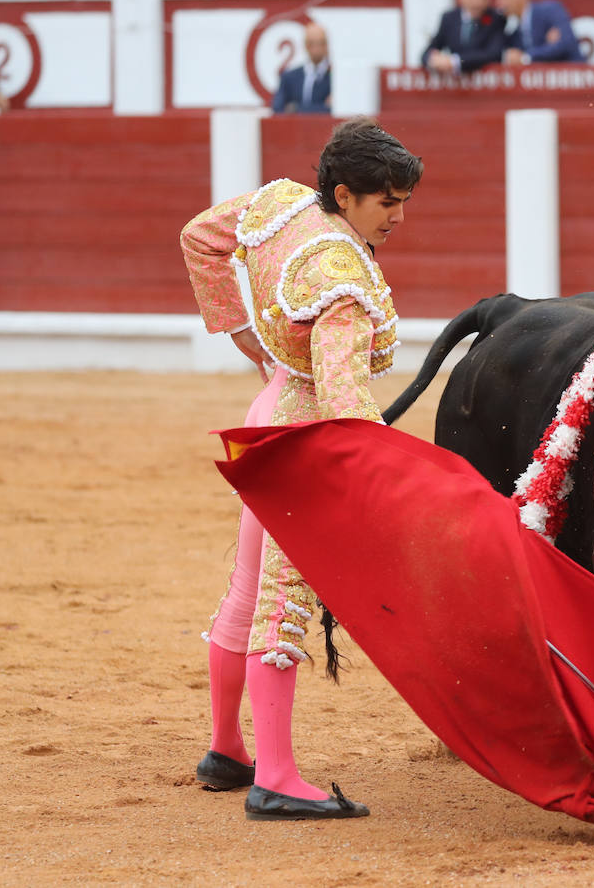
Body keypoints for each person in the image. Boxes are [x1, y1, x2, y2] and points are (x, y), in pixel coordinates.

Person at [181, 117, 423, 821]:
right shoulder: (342, 278)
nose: (398, 217)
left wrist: (243, 336)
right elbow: (344, 397)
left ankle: (228, 750)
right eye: (387, 202)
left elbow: (199, 236)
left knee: (245, 592)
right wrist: (380, 475)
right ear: (345, 196)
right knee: (282, 602)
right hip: (305, 439)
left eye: (404, 200)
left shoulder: (281, 203)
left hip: (266, 415)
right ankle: (277, 776)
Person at [421, 0, 506, 75]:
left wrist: (454, 61)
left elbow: (493, 54)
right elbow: (428, 51)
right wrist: (433, 60)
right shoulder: (449, 18)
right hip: (454, 88)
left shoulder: (495, 19)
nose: (478, 2)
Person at [496, 0, 583, 65]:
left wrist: (525, 58)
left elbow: (565, 44)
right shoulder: (515, 33)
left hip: (572, 74)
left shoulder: (550, 10)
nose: (499, 3)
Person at [271, 23, 330, 114]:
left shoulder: (334, 78)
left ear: (326, 45)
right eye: (311, 43)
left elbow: (336, 110)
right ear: (305, 45)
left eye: (321, 43)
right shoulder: (290, 77)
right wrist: (323, 107)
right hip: (295, 127)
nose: (316, 48)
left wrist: (294, 108)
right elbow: (277, 108)